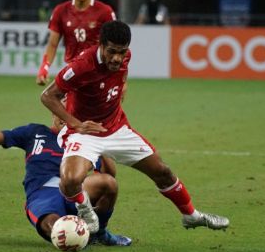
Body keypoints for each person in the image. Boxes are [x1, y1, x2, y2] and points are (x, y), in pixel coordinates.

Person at [40, 20, 229, 234]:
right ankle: (85, 209)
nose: (117, 58)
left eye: (122, 52)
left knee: (163, 172)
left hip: (117, 128)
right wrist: (76, 123)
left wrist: (120, 89)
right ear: (101, 45)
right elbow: (48, 96)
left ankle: (191, 216)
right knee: (71, 179)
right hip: (85, 132)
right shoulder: (82, 65)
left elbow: (121, 74)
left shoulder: (124, 58)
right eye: (112, 52)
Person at [0, 115, 131, 247]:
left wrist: (101, 144)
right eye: (61, 111)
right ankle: (70, 237)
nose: (63, 117)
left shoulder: (84, 142)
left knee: (108, 184)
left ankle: (100, 233)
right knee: (54, 227)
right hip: (42, 194)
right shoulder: (35, 132)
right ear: (54, 112)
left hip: (76, 194)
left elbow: (110, 174)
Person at [36, 0, 116, 86]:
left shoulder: (105, 11)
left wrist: (120, 78)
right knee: (50, 98)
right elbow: (52, 44)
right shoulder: (61, 11)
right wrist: (44, 68)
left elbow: (115, 45)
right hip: (72, 71)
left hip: (98, 72)